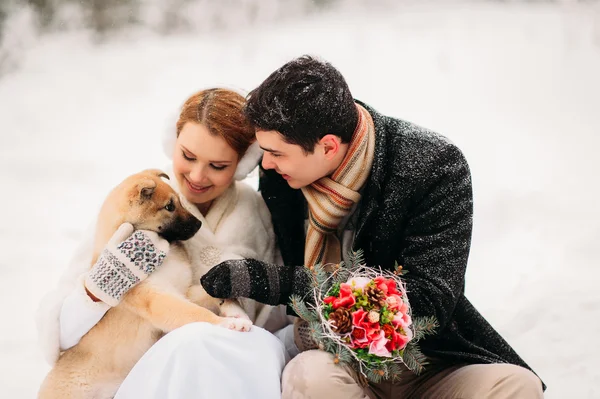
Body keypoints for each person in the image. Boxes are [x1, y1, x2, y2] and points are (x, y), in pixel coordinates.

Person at [201, 56, 546, 398]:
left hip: (429, 362)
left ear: (328, 146)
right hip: (336, 361)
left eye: (277, 153)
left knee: (516, 386)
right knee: (308, 377)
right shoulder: (280, 175)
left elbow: (426, 301)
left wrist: (275, 282)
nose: (268, 163)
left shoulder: (432, 167)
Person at [36, 88, 291, 399]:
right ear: (173, 144)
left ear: (241, 164)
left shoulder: (257, 216)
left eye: (218, 166)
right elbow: (61, 333)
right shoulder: (137, 205)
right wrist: (96, 291)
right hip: (133, 379)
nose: (197, 175)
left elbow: (276, 318)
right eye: (187, 156)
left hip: (225, 375)